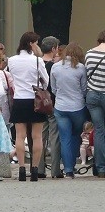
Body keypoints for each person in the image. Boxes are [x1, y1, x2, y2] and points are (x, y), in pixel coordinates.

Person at [7, 31, 49, 182]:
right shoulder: (37, 61)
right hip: (34, 99)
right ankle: (35, 169)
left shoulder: (11, 60)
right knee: (37, 136)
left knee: (20, 136)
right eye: (36, 43)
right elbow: (46, 81)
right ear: (31, 44)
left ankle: (22, 169)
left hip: (19, 99)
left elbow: (11, 78)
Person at [51, 42, 87, 178]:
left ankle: (68, 170)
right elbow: (84, 89)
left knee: (64, 138)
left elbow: (53, 89)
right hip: (77, 106)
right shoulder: (80, 68)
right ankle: (72, 164)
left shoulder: (55, 67)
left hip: (60, 107)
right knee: (75, 136)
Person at [40, 36, 62, 178]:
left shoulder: (36, 63)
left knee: (39, 137)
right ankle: (55, 170)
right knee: (54, 137)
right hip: (52, 103)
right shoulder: (55, 66)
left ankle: (39, 168)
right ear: (53, 48)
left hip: (39, 103)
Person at [84, 30, 105, 178]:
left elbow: (86, 74)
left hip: (92, 95)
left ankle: (100, 168)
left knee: (98, 131)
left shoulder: (89, 53)